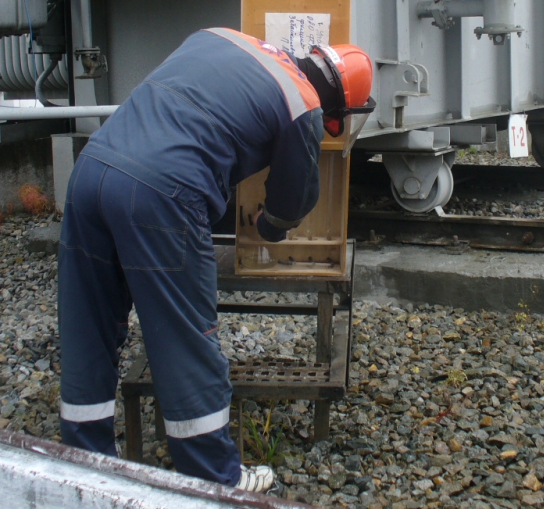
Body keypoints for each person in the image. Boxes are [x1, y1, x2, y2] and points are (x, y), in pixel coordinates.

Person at [56, 27, 374, 492]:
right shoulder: (303, 102)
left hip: (91, 171)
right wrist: (269, 227)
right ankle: (214, 479)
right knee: (184, 336)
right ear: (336, 111)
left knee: (88, 323)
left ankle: (84, 467)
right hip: (162, 193)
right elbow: (294, 198)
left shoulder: (224, 36)